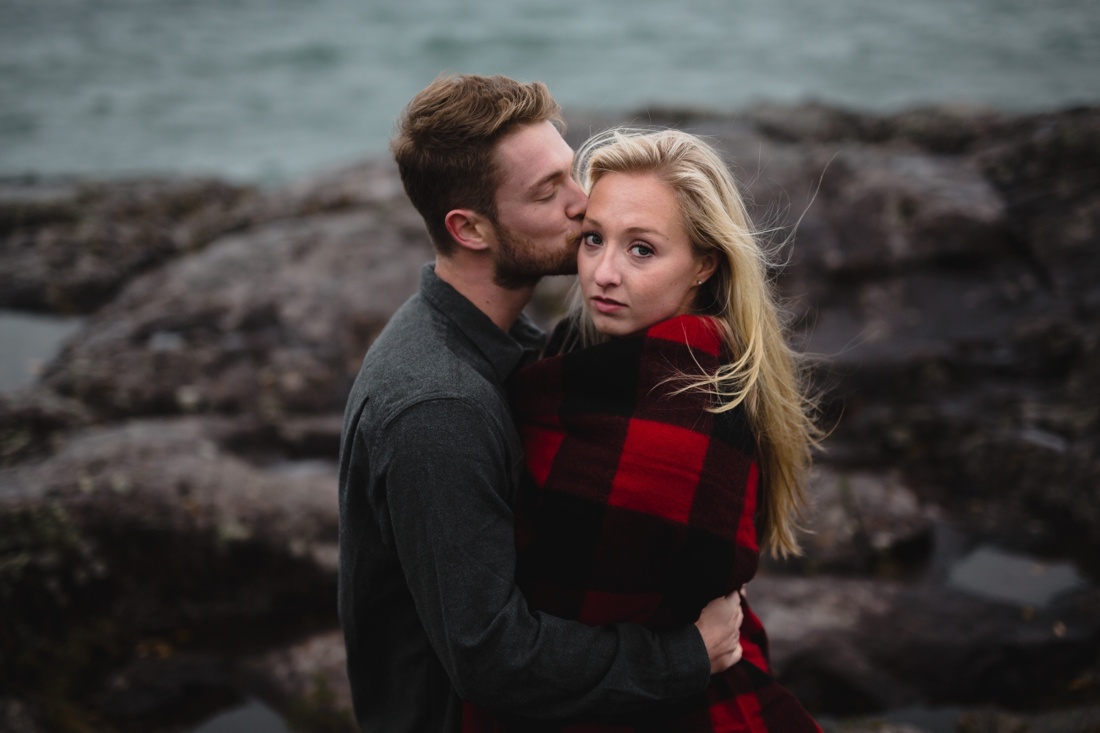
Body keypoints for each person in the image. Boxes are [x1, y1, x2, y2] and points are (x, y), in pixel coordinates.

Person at [337, 75, 747, 733]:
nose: (582, 204)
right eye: (547, 191)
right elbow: (490, 655)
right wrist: (685, 654)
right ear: (469, 228)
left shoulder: (514, 346)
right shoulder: (437, 410)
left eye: (570, 172)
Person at [467, 128, 823, 731]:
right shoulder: (567, 363)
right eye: (593, 239)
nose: (604, 272)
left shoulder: (700, 402)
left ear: (704, 264)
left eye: (642, 250)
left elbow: (545, 612)